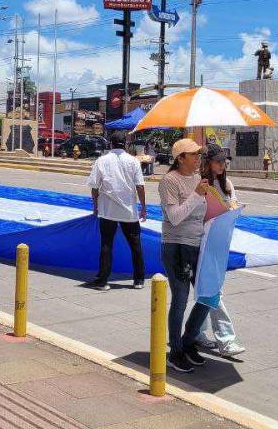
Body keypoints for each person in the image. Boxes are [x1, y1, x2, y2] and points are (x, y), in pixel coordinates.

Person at [158, 138, 211, 374]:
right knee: (180, 299)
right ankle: (175, 351)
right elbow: (175, 217)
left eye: (199, 154)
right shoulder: (169, 180)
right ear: (181, 158)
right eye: (193, 155)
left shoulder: (199, 180)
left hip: (198, 244)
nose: (198, 158)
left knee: (208, 295)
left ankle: (189, 341)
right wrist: (197, 196)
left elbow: (202, 214)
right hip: (177, 245)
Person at [195, 143, 246, 357]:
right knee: (213, 290)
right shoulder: (199, 184)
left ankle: (196, 332)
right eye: (218, 161)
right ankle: (226, 340)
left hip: (220, 243)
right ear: (207, 162)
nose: (222, 165)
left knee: (206, 290)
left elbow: (233, 207)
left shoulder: (227, 184)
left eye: (224, 162)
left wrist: (234, 208)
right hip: (201, 243)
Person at [86, 130, 146, 291]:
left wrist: (96, 206)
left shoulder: (102, 160)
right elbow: (140, 186)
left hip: (108, 210)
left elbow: (94, 187)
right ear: (125, 144)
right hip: (129, 211)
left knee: (107, 244)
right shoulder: (133, 161)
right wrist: (144, 208)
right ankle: (139, 280)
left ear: (110, 144)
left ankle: (103, 281)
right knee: (135, 245)